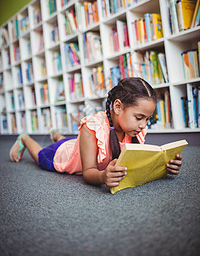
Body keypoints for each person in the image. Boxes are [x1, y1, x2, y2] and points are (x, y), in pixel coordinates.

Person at [9, 77, 182, 189]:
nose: (144, 125)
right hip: (62, 155)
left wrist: (163, 166)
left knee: (71, 143)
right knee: (41, 156)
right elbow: (88, 172)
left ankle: (57, 135)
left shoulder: (134, 128)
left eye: (147, 119)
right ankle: (25, 138)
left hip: (79, 147)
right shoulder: (92, 128)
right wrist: (102, 176)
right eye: (139, 117)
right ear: (117, 106)